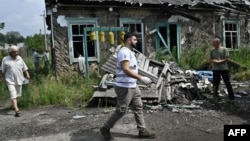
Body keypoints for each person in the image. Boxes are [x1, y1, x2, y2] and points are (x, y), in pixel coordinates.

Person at [100, 32, 155, 140]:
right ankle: (105, 128)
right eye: (134, 39)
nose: (136, 41)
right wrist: (141, 78)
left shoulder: (130, 52)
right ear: (128, 40)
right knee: (121, 110)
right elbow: (126, 69)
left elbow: (132, 69)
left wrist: (138, 79)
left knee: (138, 107)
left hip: (132, 85)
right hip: (125, 87)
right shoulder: (124, 52)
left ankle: (142, 130)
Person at [0, 45, 30, 117]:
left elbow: (24, 68)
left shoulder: (20, 58)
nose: (16, 53)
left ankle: (13, 105)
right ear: (10, 52)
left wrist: (27, 74)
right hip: (10, 80)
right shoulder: (5, 59)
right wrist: (0, 78)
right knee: (13, 94)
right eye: (14, 52)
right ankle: (17, 110)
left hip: (19, 80)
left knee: (17, 94)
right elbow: (1, 70)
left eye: (17, 52)